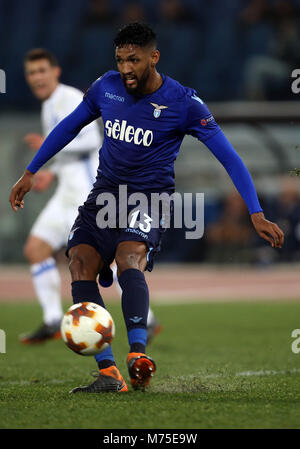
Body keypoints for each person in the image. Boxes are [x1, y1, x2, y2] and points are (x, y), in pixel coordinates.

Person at [10, 23, 284, 393]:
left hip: (149, 199)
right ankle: (107, 372)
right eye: (120, 60)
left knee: (128, 259)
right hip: (104, 195)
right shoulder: (105, 87)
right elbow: (68, 128)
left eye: (134, 60)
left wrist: (255, 211)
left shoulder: (185, 103)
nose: (126, 69)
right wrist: (31, 171)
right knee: (79, 263)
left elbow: (230, 158)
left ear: (154, 57)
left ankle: (138, 355)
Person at [19, 47, 161, 346]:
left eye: (42, 70)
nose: (37, 78)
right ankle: (52, 320)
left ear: (55, 72)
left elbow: (91, 140)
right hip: (65, 193)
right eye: (32, 73)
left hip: (87, 193)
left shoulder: (68, 97)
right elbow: (70, 150)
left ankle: (145, 321)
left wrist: (49, 148)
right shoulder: (49, 106)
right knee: (36, 249)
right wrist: (53, 171)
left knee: (106, 262)